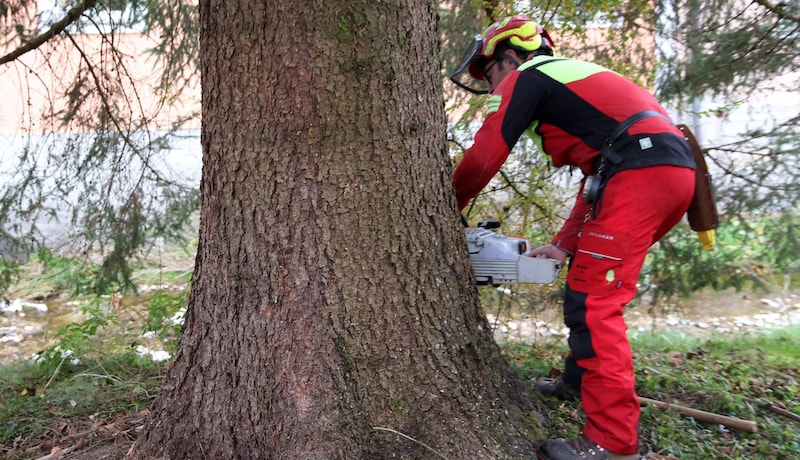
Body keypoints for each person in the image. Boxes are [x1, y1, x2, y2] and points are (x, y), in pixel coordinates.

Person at [449, 15, 697, 460]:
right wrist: (565, 244)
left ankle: (612, 442)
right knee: (587, 284)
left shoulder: (528, 74)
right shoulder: (576, 77)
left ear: (508, 58)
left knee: (596, 303)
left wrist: (444, 206)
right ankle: (578, 383)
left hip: (641, 174)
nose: (493, 88)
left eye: (490, 75)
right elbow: (599, 174)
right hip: (659, 173)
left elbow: (485, 154)